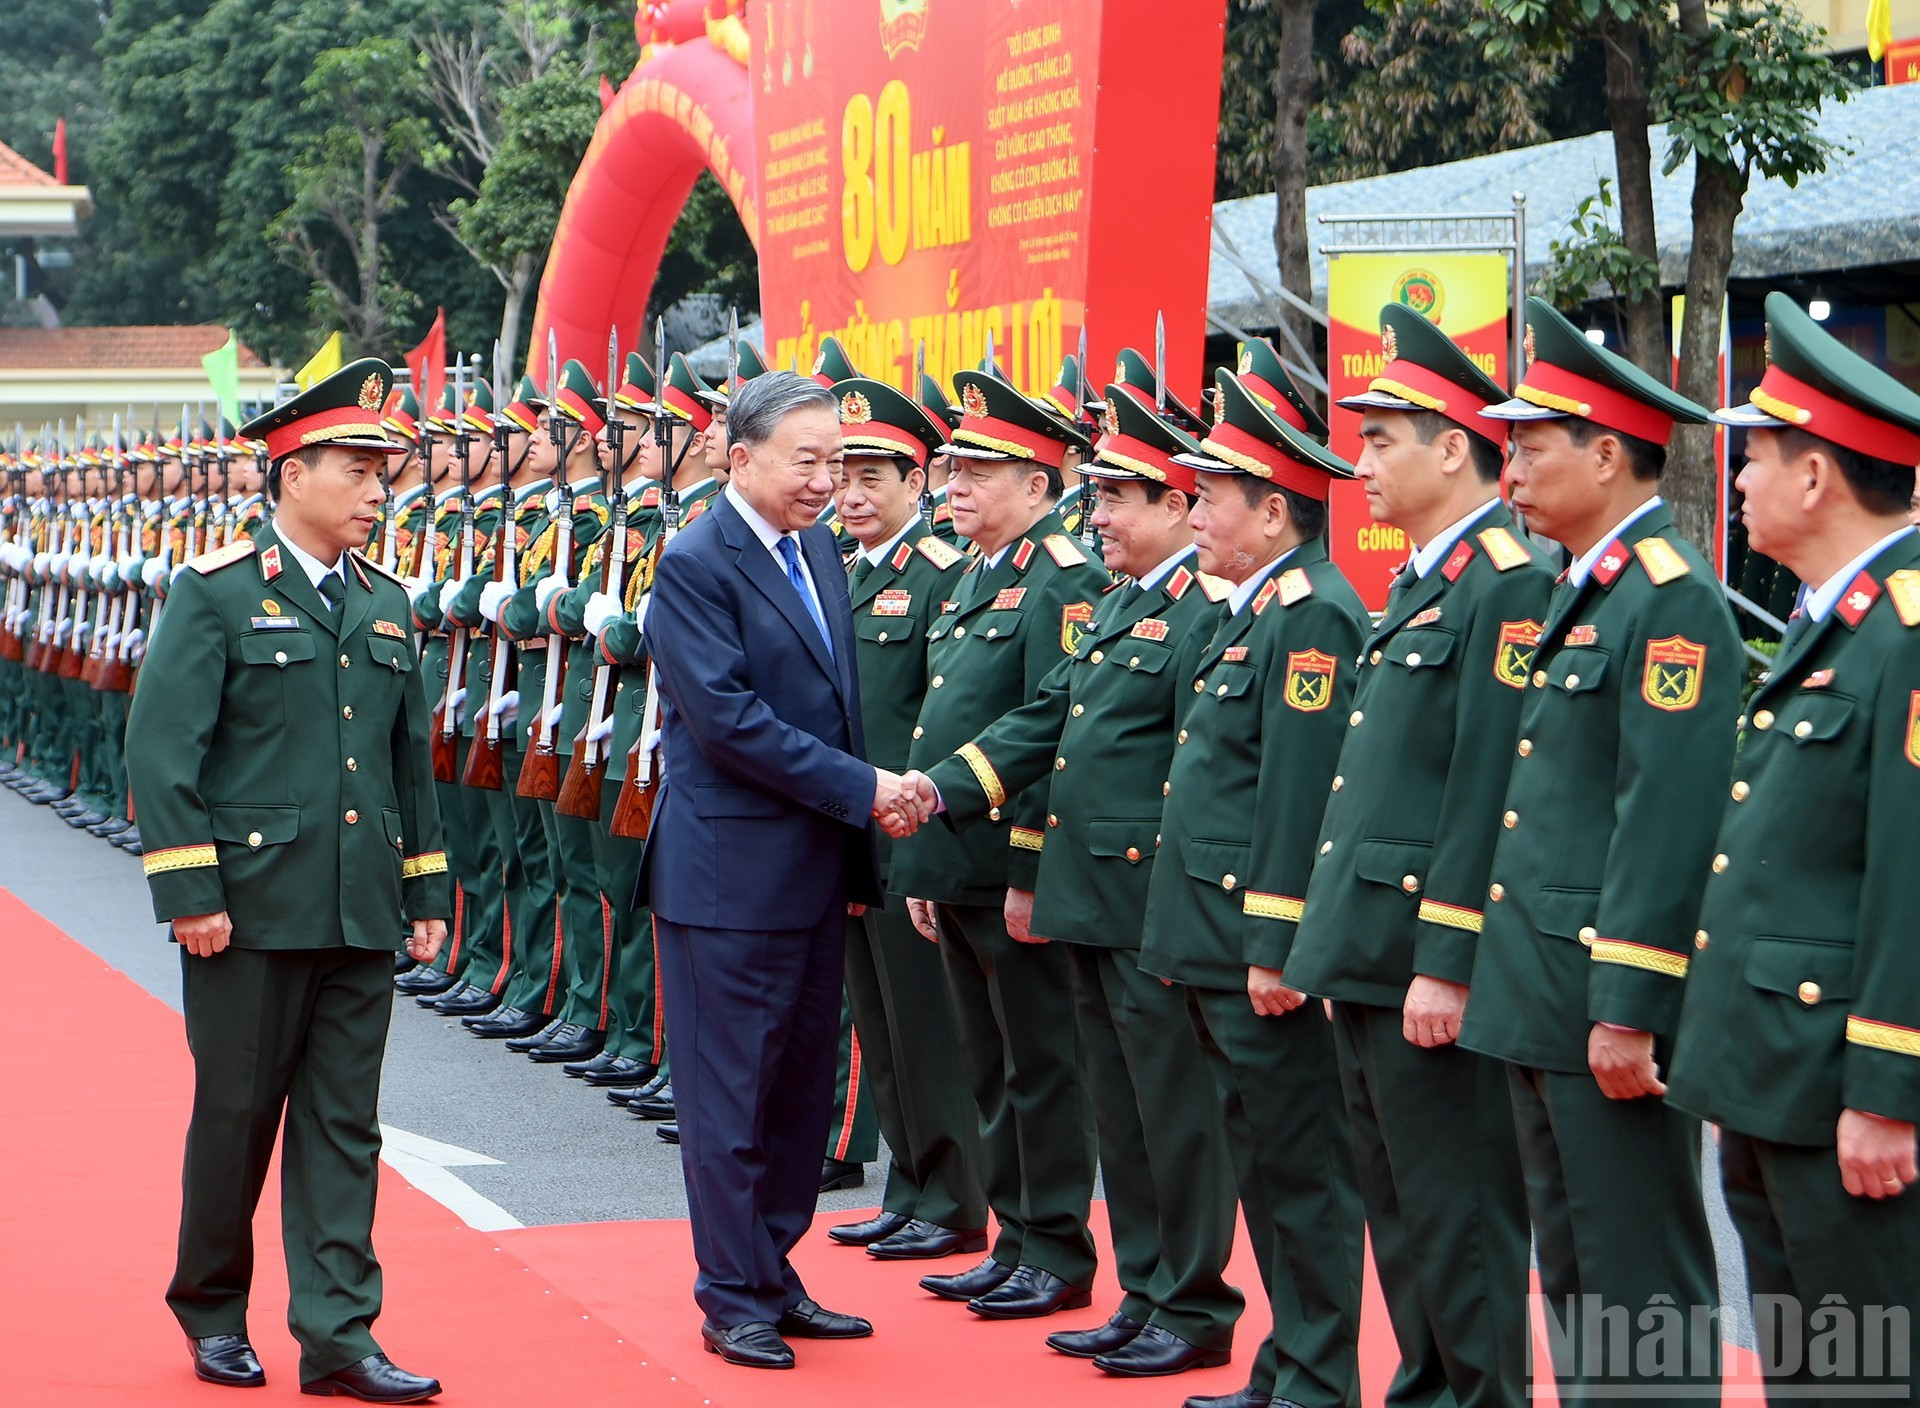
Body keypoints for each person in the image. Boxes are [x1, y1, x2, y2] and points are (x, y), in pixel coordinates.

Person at [124, 358, 451, 1403]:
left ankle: (339, 1335)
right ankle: (213, 1309)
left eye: (382, 474)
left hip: (360, 908)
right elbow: (161, 752)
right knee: (236, 1117)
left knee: (345, 1125)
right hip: (250, 912)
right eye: (357, 470)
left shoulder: (387, 602)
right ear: (292, 472)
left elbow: (409, 763)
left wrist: (425, 890)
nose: (376, 492)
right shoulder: (217, 590)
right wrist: (192, 893)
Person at [918, 381, 1242, 1377]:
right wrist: (935, 792)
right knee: (1127, 1111)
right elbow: (1044, 721)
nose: (1096, 516)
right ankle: (1145, 1291)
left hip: (1153, 902)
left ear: (1176, 505)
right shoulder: (1124, 603)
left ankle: (1193, 1302)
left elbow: (1200, 773)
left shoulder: (1200, 611)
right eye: (1095, 496)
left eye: (1116, 499)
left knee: (1176, 1114)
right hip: (1095, 899)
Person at [1461, 297, 1739, 1404]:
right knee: (1576, 1272)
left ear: (1609, 456)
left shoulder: (1670, 603)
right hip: (1545, 991)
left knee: (1638, 1281)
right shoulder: (1591, 589)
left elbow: (1664, 819)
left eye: (1534, 449)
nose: (1512, 473)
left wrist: (1628, 1004)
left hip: (1599, 1000)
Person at [637, 369, 929, 1370]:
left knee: (801, 1092)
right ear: (740, 455)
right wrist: (865, 788)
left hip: (813, 867)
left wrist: (865, 809)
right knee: (731, 1099)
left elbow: (837, 707)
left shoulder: (818, 552)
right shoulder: (696, 563)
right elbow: (730, 725)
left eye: (836, 462)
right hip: (728, 878)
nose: (825, 482)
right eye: (807, 461)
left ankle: (773, 1269)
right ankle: (732, 1296)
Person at [1286, 305, 1547, 1408]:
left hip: (1423, 958)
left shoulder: (1505, 583)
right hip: (1371, 947)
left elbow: (1486, 786)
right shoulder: (1426, 580)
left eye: (1382, 439)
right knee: (1401, 1211)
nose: (1361, 463)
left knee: (1462, 1217)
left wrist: (1448, 957)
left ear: (1452, 450)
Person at [1667, 291, 1920, 1399]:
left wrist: (1889, 1091)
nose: (1738, 481)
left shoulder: (1904, 636)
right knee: (1809, 1373)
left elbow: (1909, 877)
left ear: (1816, 478)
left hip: (1840, 1091)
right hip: (1776, 1077)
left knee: (1865, 1373)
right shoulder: (1840, 622)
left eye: (1755, 459)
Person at [1136, 368, 1369, 1408]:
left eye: (1210, 498)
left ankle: (1318, 1378)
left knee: (1302, 1173)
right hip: (1214, 938)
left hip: (1254, 945)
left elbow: (1298, 796)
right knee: (1264, 1167)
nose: (1192, 515)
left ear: (1274, 513)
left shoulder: (1312, 615)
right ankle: (1289, 1365)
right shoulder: (1252, 611)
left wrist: (1276, 944)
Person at [894, 369, 1110, 1322]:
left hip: (1011, 864)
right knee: (988, 1062)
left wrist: (1029, 872)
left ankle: (1055, 1246)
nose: (956, 487)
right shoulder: (974, 575)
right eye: (954, 471)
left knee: (1040, 1064)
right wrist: (927, 868)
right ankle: (1013, 1236)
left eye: (978, 473)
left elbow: (1055, 740)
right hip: (956, 861)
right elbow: (941, 720)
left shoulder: (1064, 578)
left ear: (1038, 483)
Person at [819, 374, 988, 1260]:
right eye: (843, 477)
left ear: (916, 482)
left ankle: (953, 1199)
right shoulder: (839, 572)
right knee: (878, 1019)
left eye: (871, 478)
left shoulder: (940, 578)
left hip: (909, 829)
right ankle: (908, 1184)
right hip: (847, 825)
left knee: (926, 1024)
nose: (850, 495)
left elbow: (944, 715)